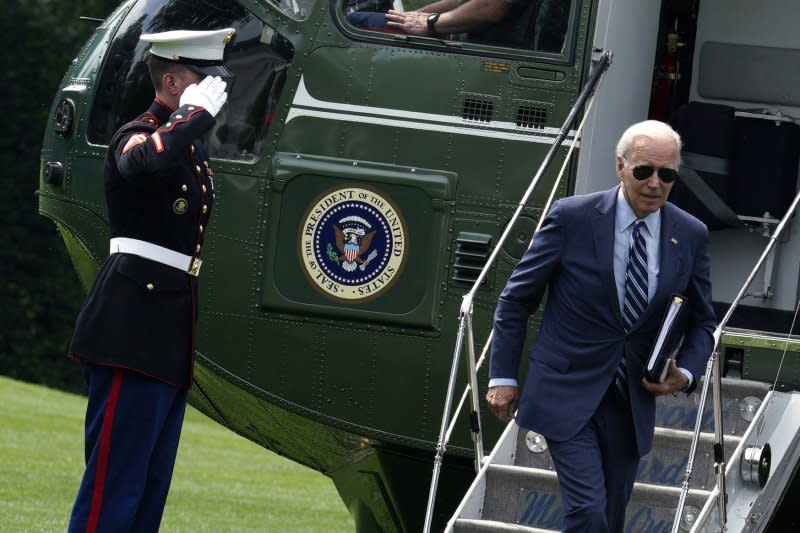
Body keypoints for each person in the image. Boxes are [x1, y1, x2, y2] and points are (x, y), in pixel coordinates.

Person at [486, 120, 716, 532]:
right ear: (620, 166)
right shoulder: (572, 217)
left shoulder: (691, 233)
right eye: (644, 171)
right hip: (564, 389)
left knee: (610, 518)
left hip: (630, 402)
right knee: (587, 510)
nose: (655, 184)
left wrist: (687, 374)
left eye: (667, 175)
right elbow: (516, 299)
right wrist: (502, 376)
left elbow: (702, 321)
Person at [67, 28, 235, 532]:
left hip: (165, 328)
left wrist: (189, 124)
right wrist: (190, 117)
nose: (214, 93)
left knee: (148, 487)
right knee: (113, 486)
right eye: (202, 81)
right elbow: (140, 161)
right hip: (130, 326)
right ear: (170, 80)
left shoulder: (187, 150)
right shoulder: (138, 133)